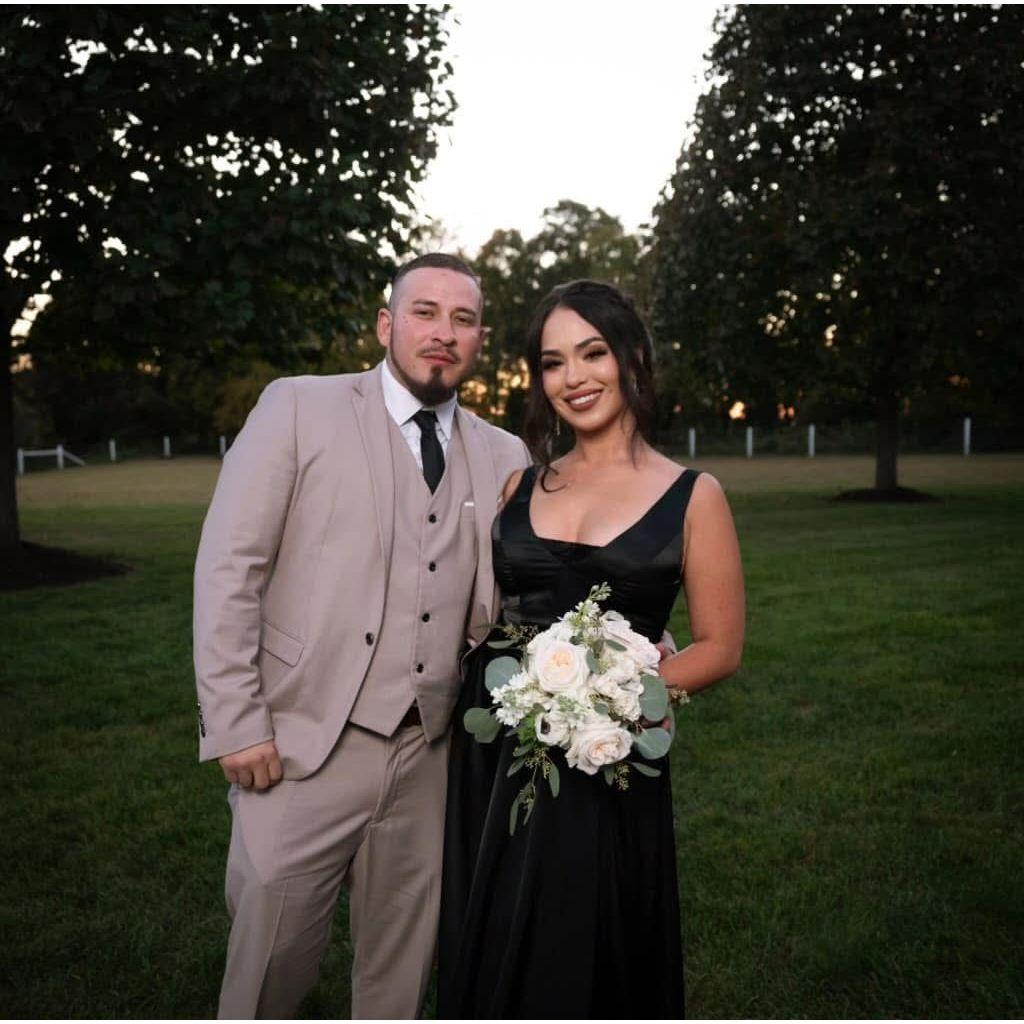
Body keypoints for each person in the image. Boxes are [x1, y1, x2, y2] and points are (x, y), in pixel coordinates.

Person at [192, 252, 530, 1019]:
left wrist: (628, 636)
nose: (443, 332)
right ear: (385, 324)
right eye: (424, 312)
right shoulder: (297, 407)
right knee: (269, 964)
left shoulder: (506, 453)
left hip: (432, 753)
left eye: (464, 319)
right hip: (299, 742)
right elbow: (229, 567)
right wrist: (237, 722)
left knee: (400, 977)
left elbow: (532, 585)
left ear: (480, 340)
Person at [438, 279, 746, 1018]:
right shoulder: (518, 485)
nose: (572, 377)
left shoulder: (694, 495)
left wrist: (614, 698)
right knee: (495, 923)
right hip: (496, 751)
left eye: (592, 353)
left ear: (632, 356)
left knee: (589, 937)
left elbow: (721, 646)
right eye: (552, 362)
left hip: (608, 753)